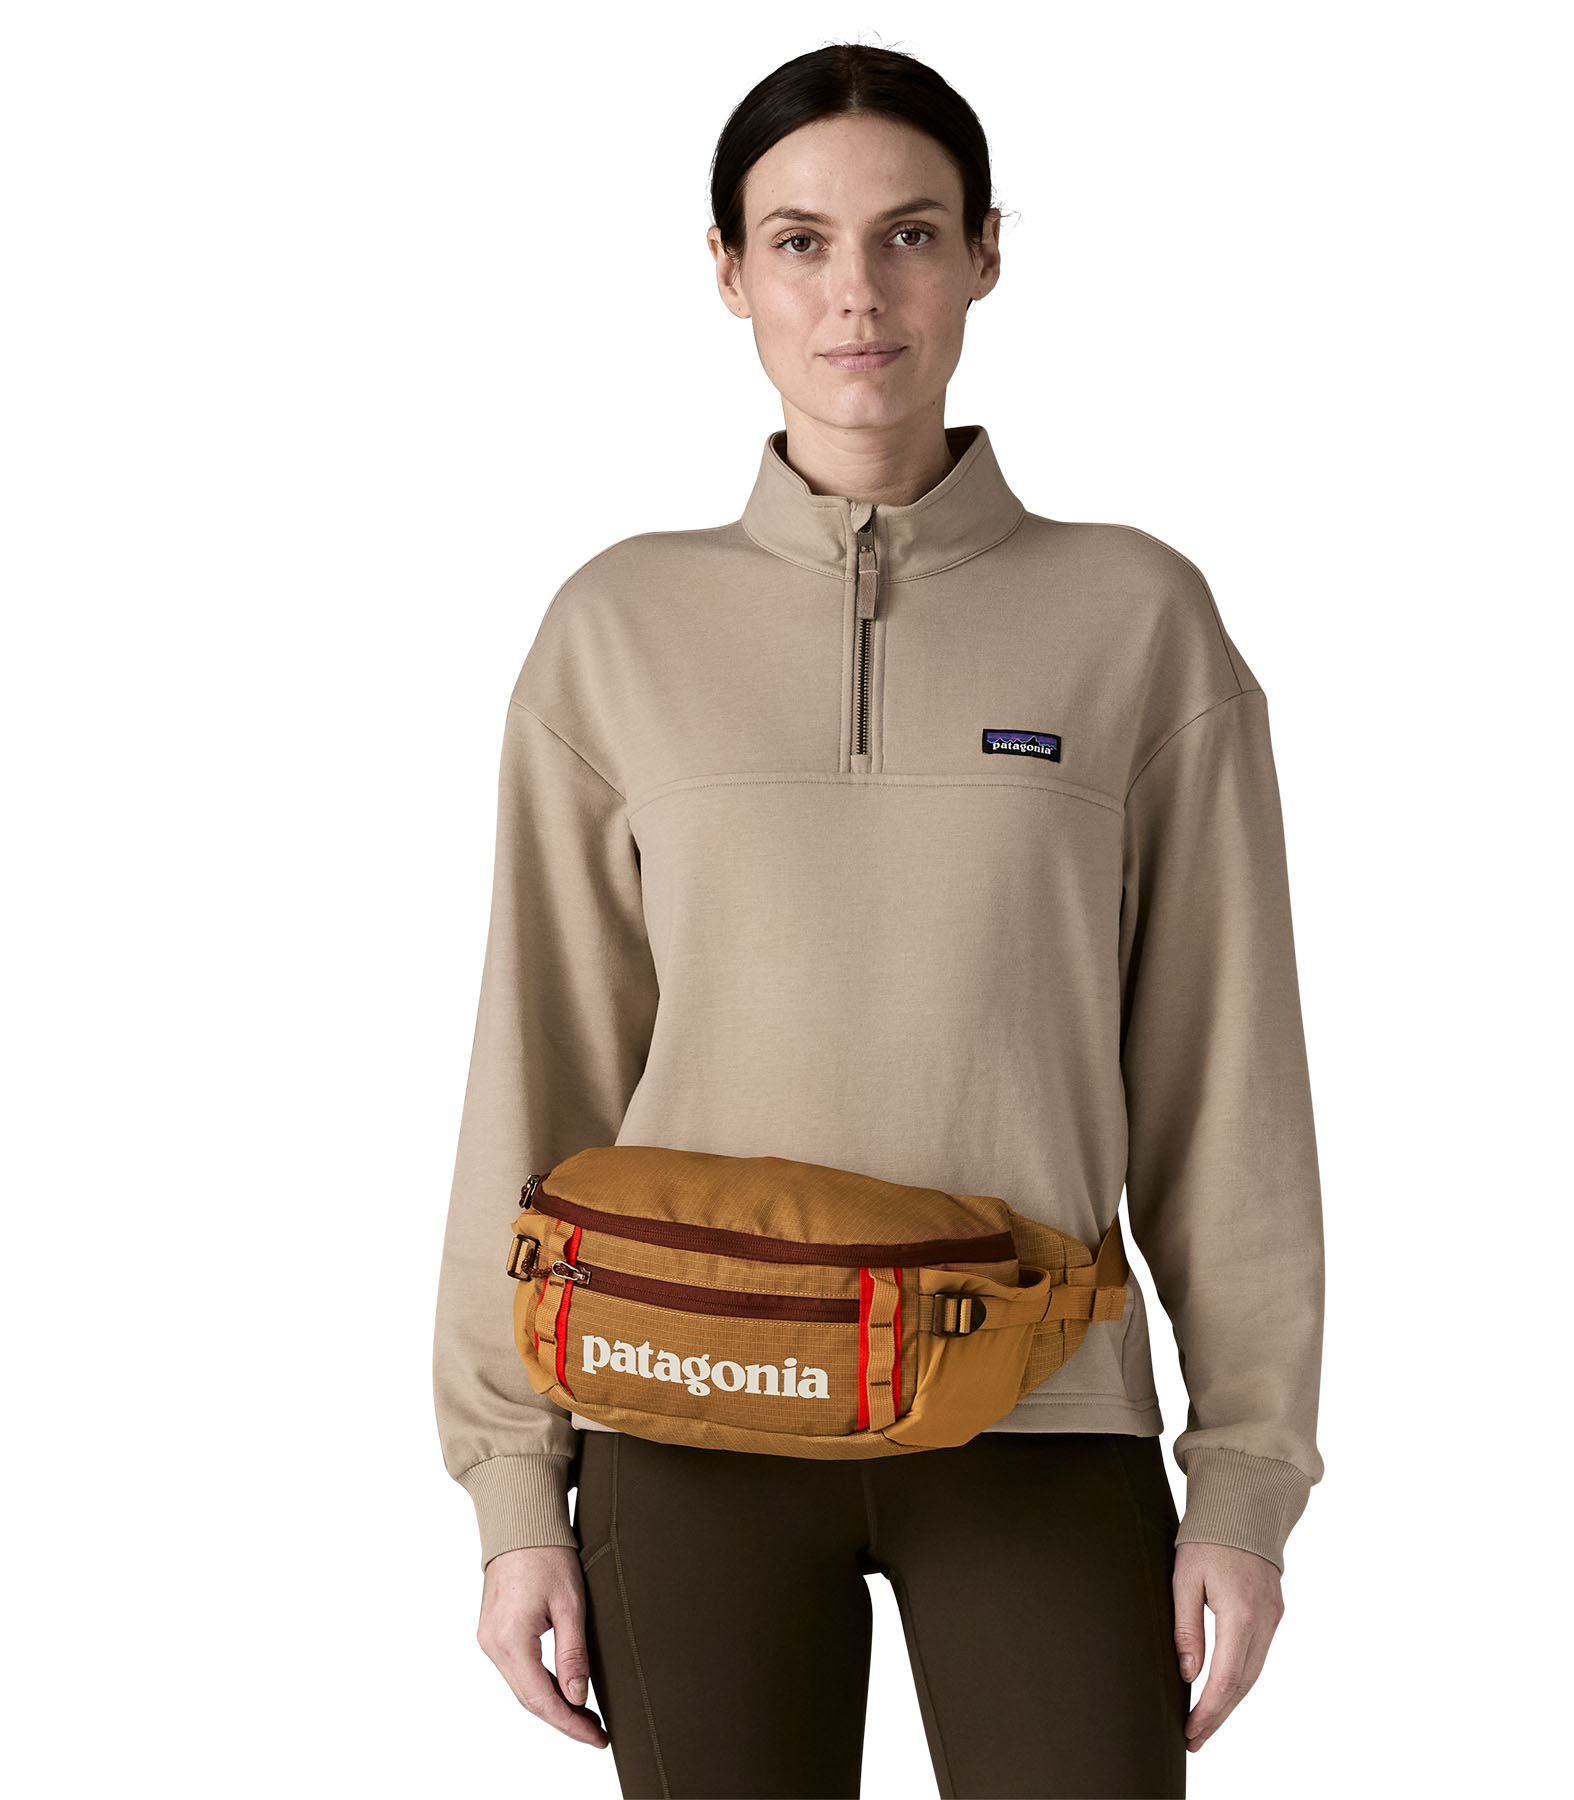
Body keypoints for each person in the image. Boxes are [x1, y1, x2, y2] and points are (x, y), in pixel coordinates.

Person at [431, 41, 1326, 1800]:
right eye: (800, 241)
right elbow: (537, 1071)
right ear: (728, 270)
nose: (857, 293)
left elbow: (1227, 1082)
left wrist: (1246, 1482)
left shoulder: (1137, 619)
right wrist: (510, 1485)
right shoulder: (616, 628)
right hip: (682, 1409)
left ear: (985, 253)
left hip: (1039, 1418)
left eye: (911, 234)